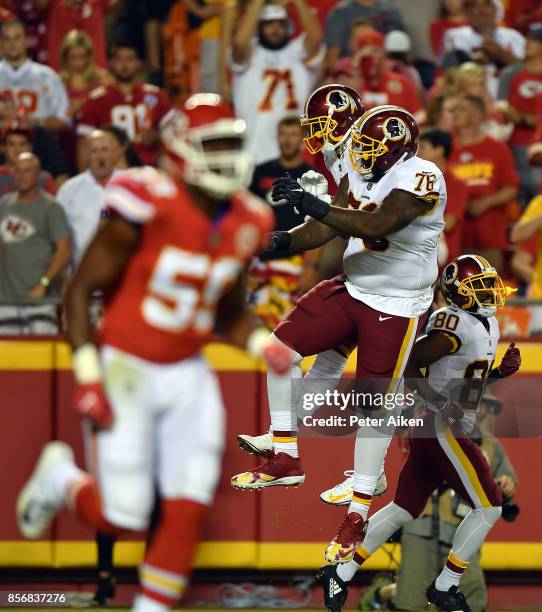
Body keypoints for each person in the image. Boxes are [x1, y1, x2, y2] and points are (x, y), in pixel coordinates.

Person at [16, 94, 292, 612]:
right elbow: (79, 292)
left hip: (188, 374)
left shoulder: (248, 218)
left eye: (232, 144)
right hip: (129, 367)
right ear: (181, 151)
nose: (226, 156)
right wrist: (89, 375)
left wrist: (260, 341)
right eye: (213, 146)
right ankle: (60, 476)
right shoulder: (147, 201)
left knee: (187, 507)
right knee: (122, 515)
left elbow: (226, 309)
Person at [232, 105, 447, 567]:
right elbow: (333, 225)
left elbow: (377, 223)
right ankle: (286, 454)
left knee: (373, 406)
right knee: (280, 349)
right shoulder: (361, 166)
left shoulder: (423, 175)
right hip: (354, 287)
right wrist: (278, 242)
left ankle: (357, 511)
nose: (363, 157)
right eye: (361, 148)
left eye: (372, 149)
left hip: (396, 305)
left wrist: (313, 202)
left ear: (398, 149)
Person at [318, 254, 521, 612]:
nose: (489, 292)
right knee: (489, 506)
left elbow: (465, 385)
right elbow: (409, 363)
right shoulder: (452, 324)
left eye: (489, 284)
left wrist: (500, 375)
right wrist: (441, 404)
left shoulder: (486, 325)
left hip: (439, 426)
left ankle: (341, 572)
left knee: (403, 508)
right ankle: (445, 586)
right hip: (442, 427)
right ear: (459, 293)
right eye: (480, 286)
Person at [230, 1, 324, 165]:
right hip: (254, 148)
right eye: (269, 24)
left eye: (280, 23)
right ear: (258, 27)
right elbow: (239, 43)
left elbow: (316, 38)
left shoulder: (297, 51)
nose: (275, 29)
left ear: (288, 26)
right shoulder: (250, 52)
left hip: (294, 148)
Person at [0, 152, 71, 334]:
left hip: (41, 302)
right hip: (6, 301)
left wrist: (43, 283)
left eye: (28, 171)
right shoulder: (3, 205)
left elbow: (64, 250)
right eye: (18, 171)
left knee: (42, 359)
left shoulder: (51, 207)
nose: (22, 176)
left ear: (38, 175)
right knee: (6, 361)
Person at [448, 94, 519, 272]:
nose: (454, 113)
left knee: (488, 290)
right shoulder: (446, 148)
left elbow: (511, 188)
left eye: (462, 109)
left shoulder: (497, 148)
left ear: (479, 116)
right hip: (454, 236)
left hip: (489, 235)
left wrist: (485, 202)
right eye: (453, 109)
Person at [76, 42, 171, 167]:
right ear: (110, 63)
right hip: (110, 173)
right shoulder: (95, 100)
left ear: (139, 63)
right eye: (119, 59)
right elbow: (84, 143)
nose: (124, 64)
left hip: (150, 171)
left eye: (130, 59)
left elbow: (175, 134)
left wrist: (158, 136)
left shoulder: (157, 97)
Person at [57, 129, 123, 270]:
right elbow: (60, 238)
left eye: (104, 150)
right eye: (94, 151)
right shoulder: (69, 190)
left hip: (123, 277)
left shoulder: (130, 185)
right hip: (82, 274)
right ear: (87, 155)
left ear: (114, 154)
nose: (100, 156)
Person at [497, 23, 542, 204]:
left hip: (539, 146)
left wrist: (524, 117)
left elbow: (522, 115)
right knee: (519, 198)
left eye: (537, 40)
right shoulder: (511, 74)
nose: (529, 43)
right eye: (529, 38)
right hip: (515, 143)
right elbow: (501, 107)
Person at [442, 0, 525, 97]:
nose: (480, 10)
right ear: (466, 12)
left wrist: (501, 54)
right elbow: (450, 74)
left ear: (495, 9)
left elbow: (528, 69)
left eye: (486, 5)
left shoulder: (513, 36)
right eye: (473, 6)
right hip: (469, 98)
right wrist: (475, 60)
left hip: (511, 96)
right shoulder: (454, 36)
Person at [0, 19, 70, 131]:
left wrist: (36, 122)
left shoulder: (47, 75)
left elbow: (64, 120)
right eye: (7, 39)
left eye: (17, 38)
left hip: (38, 143)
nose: (12, 44)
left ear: (26, 41)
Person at [419, 128, 468, 264]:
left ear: (439, 150)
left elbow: (449, 222)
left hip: (443, 260)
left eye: (422, 147)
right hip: (417, 257)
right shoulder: (416, 180)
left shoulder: (455, 184)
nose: (417, 153)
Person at [0, 89, 70, 184]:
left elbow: (60, 174)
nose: (1, 112)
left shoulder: (40, 135)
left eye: (6, 107)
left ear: (17, 110)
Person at [352, 30, 423, 119]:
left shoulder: (401, 83)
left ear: (384, 53)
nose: (373, 57)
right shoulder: (351, 82)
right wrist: (355, 67)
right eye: (366, 54)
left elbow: (418, 116)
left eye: (376, 51)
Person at [323, 0, 405, 73]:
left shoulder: (391, 12)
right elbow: (332, 59)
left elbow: (402, 57)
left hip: (384, 73)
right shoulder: (341, 13)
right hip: (350, 74)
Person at [59, 29, 114, 118]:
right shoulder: (59, 81)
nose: (78, 62)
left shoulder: (103, 78)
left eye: (82, 56)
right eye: (74, 57)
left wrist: (85, 104)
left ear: (89, 56)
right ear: (65, 58)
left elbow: (112, 104)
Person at [0, 121, 57, 197]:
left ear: (31, 147)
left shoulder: (43, 179)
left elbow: (53, 206)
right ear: (2, 148)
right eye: (12, 144)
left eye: (22, 144)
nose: (17, 149)